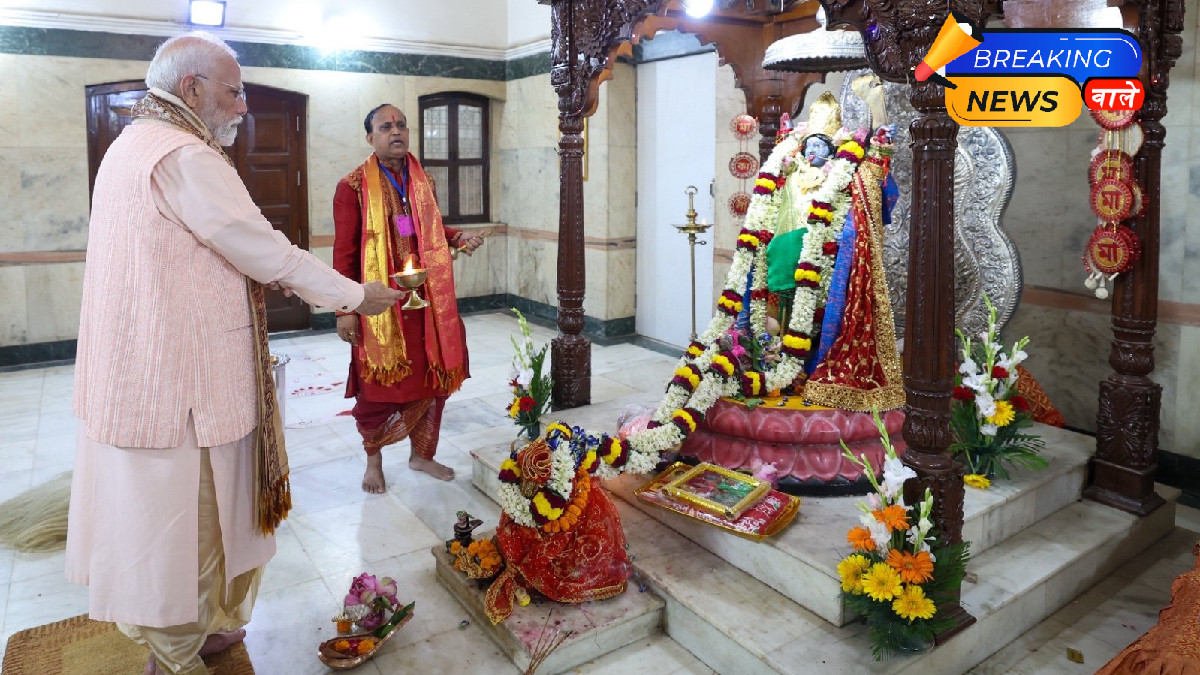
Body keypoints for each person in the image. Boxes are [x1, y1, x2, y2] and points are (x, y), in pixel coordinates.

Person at [65, 32, 403, 675]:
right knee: (183, 530)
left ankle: (204, 629)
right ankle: (172, 657)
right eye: (234, 90)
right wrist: (356, 296)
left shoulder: (130, 145)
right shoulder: (181, 156)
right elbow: (264, 250)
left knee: (191, 521)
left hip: (146, 371)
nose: (244, 105)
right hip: (177, 387)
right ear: (190, 89)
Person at [333, 103, 486, 493]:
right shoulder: (351, 187)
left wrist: (456, 237)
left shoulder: (422, 180)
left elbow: (429, 226)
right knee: (378, 388)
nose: (396, 131)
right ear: (370, 137)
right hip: (380, 307)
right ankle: (373, 461)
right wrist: (345, 308)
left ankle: (422, 455)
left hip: (425, 304)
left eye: (401, 125)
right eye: (386, 127)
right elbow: (345, 253)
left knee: (432, 379)